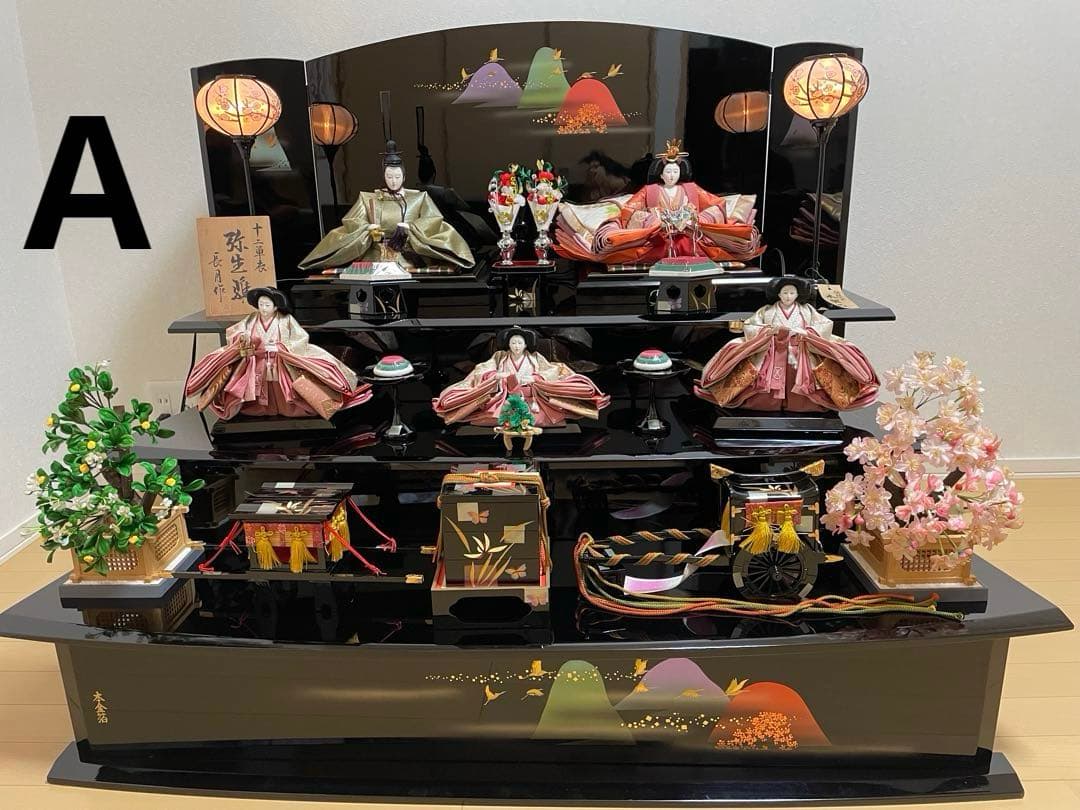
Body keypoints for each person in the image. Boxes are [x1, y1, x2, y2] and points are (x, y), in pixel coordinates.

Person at [553, 139, 764, 266]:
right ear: (661, 174)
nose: (671, 175)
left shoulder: (691, 189)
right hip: (658, 238)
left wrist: (696, 220)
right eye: (668, 172)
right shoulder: (650, 190)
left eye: (675, 171)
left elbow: (716, 205)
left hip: (690, 236)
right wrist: (653, 220)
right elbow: (629, 210)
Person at [695, 276, 879, 412]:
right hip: (772, 352)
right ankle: (766, 405)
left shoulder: (807, 310)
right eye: (785, 293)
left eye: (792, 293)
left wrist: (807, 333)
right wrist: (768, 332)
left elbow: (824, 324)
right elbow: (751, 325)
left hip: (800, 353)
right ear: (778, 294)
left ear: (798, 294)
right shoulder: (767, 311)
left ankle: (802, 406)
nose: (788, 296)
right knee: (763, 383)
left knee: (802, 382)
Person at [184, 287, 371, 420]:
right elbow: (236, 331)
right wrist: (244, 338)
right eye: (261, 304)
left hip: (280, 361)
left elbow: (300, 338)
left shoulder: (285, 320)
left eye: (267, 304)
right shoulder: (251, 320)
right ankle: (258, 408)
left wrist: (284, 347)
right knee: (257, 389)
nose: (263, 308)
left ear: (275, 306)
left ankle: (288, 408)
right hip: (256, 361)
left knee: (283, 389)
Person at [298, 140, 474, 271]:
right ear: (384, 176)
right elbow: (352, 221)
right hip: (375, 256)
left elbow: (433, 219)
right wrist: (367, 227)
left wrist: (412, 227)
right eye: (389, 177)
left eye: (397, 177)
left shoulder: (419, 198)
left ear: (404, 177)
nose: (393, 181)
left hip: (408, 255)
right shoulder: (369, 198)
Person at [433, 327, 610, 427]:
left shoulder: (535, 357)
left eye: (519, 342)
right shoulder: (500, 356)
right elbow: (481, 370)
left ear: (526, 344)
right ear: (508, 344)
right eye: (513, 342)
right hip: (505, 398)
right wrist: (495, 375)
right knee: (494, 417)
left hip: (532, 399)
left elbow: (552, 370)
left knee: (539, 417)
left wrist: (535, 378)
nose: (516, 346)